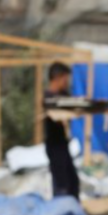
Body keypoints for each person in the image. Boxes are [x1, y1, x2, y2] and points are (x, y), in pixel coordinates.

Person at [44, 62, 80, 200]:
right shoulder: (48, 97)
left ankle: (73, 211)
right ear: (58, 78)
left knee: (72, 182)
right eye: (66, 79)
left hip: (63, 145)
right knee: (61, 185)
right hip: (54, 146)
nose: (67, 82)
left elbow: (77, 105)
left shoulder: (64, 95)